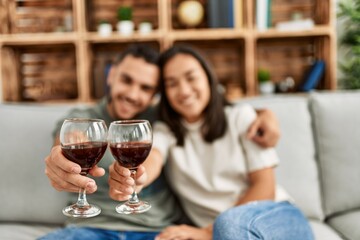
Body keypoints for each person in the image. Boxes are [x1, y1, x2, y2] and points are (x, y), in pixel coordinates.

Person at [42, 44, 281, 239]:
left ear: (156, 94)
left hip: (155, 231)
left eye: (146, 88)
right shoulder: (80, 119)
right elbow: (63, 145)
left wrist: (262, 113)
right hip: (88, 230)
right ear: (112, 74)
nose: (133, 95)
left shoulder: (162, 120)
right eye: (127, 80)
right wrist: (61, 163)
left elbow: (194, 121)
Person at [108, 45, 314, 240]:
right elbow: (153, 158)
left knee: (229, 224)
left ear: (208, 78)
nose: (184, 91)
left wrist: (208, 230)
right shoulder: (165, 131)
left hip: (274, 216)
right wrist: (136, 178)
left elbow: (265, 187)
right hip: (219, 233)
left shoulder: (241, 117)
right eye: (172, 84)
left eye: (191, 78)